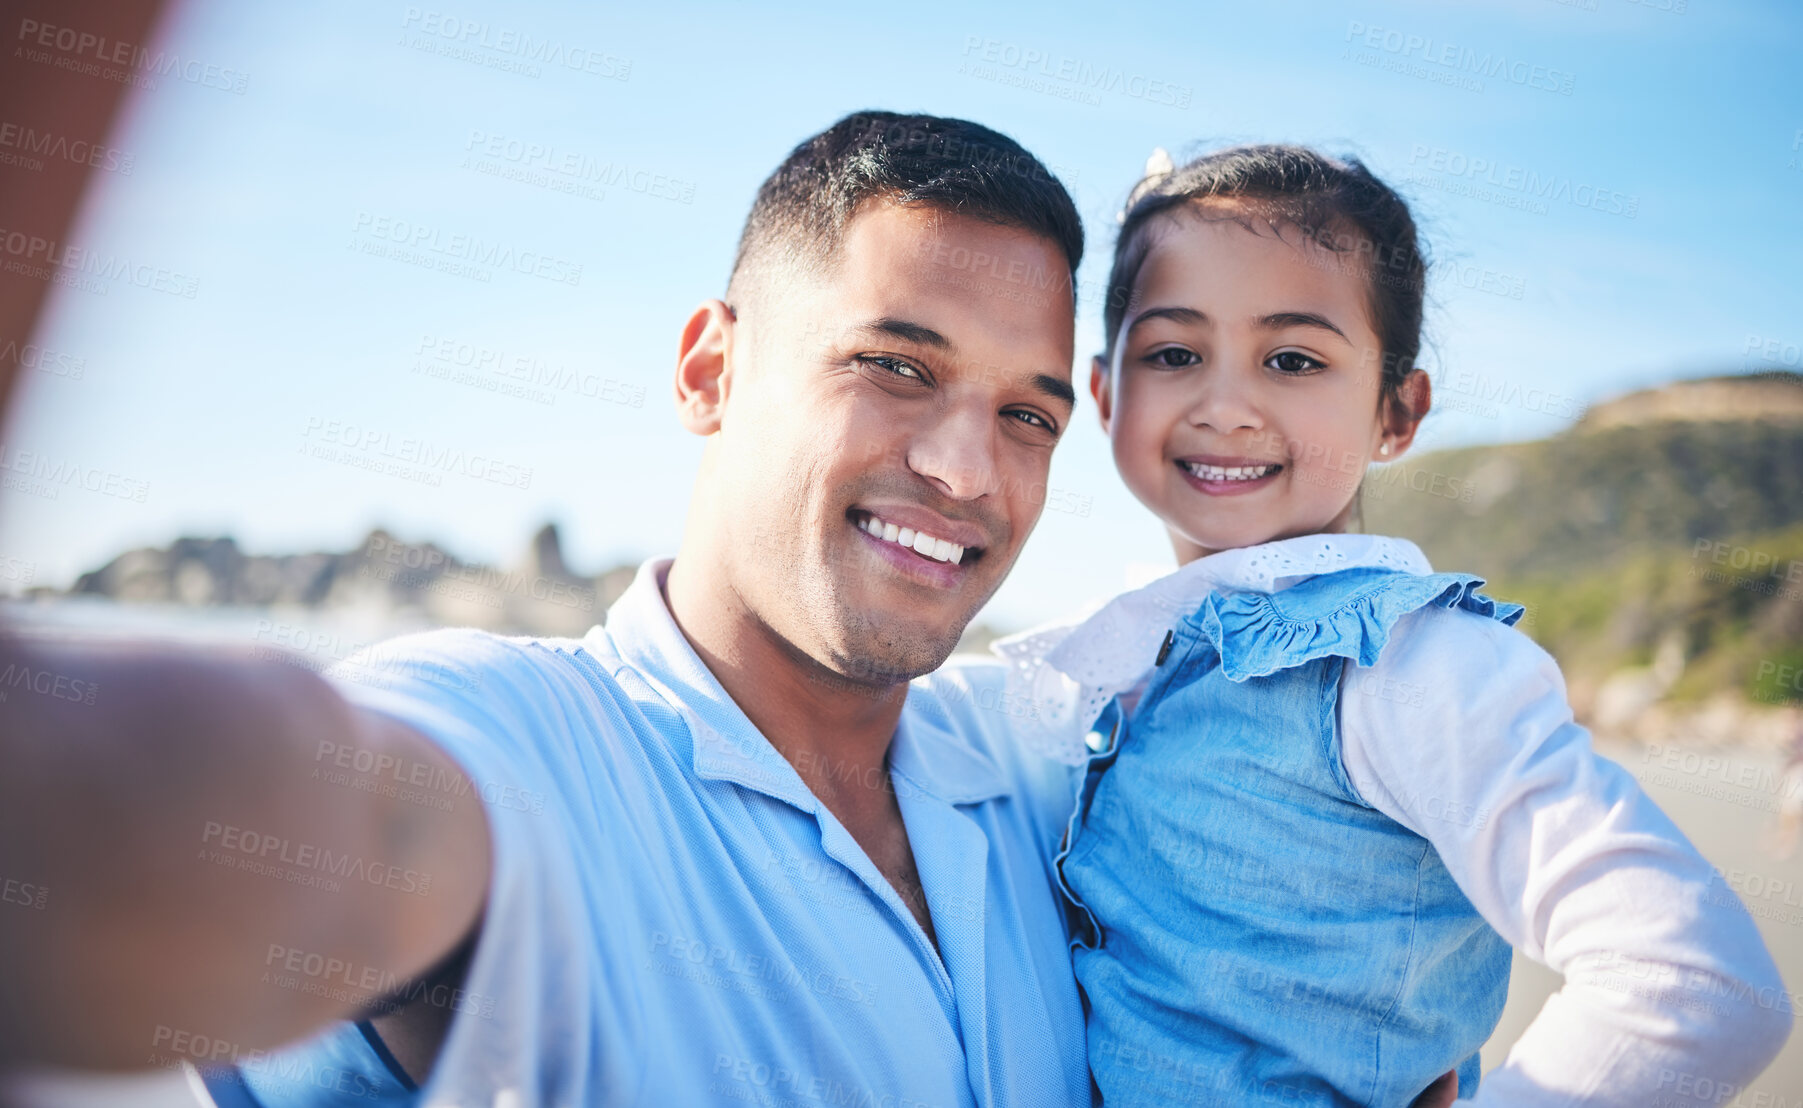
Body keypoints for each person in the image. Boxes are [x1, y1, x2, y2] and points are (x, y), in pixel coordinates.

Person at [0, 110, 1100, 1107]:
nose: (966, 469)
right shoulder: (524, 744)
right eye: (896, 365)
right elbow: (306, 822)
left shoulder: (1047, 771)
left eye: (1027, 417)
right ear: (710, 370)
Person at [994, 144, 1793, 1105]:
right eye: (1174, 353)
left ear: (1397, 410)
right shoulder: (1136, 656)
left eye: (1293, 359)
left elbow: (1697, 980)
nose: (1226, 405)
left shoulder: (1409, 664)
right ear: (1106, 391)